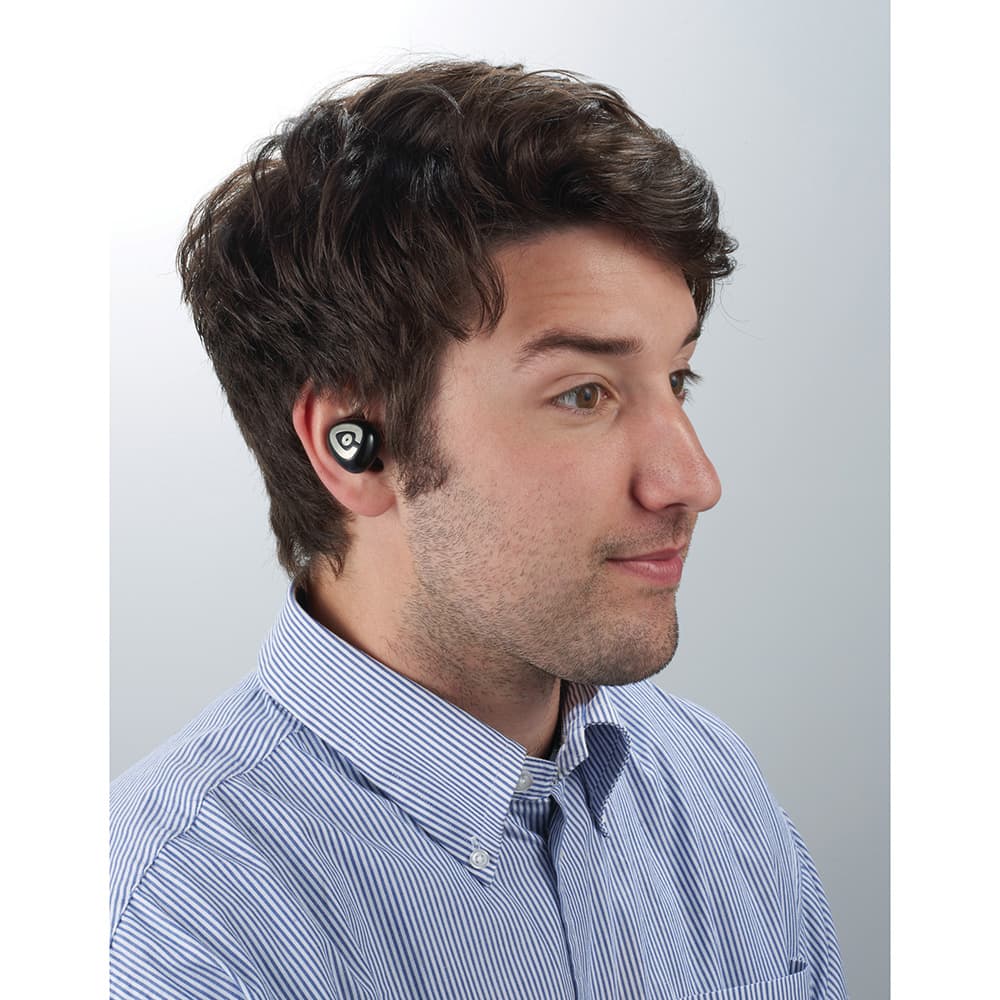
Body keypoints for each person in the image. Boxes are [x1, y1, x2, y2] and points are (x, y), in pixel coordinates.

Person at [110, 59, 847, 999]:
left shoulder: (715, 791)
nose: (693, 482)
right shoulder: (177, 930)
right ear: (353, 446)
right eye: (584, 393)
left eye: (678, 380)